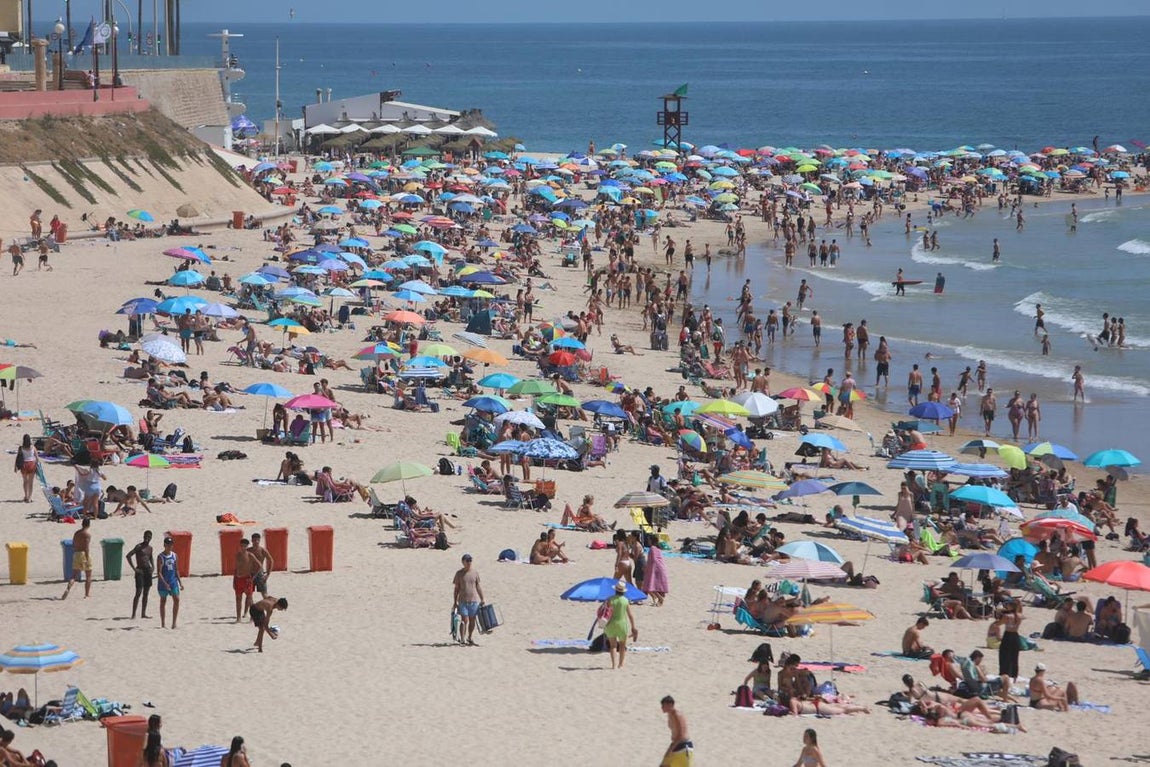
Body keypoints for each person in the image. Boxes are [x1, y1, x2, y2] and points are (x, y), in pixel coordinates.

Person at [603, 579, 638, 669]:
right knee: (622, 645)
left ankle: (614, 665)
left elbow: (605, 612)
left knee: (613, 646)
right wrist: (633, 627)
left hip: (611, 624)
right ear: (623, 591)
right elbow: (630, 615)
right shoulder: (625, 600)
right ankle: (621, 664)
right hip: (622, 624)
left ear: (615, 590)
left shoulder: (609, 599)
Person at [452, 553, 485, 646]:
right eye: (467, 561)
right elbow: (456, 589)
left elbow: (478, 586)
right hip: (463, 601)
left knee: (472, 620)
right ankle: (462, 638)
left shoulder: (475, 573)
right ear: (463, 562)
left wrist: (482, 598)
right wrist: (455, 602)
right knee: (464, 620)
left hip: (473, 601)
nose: (469, 562)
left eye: (470, 560)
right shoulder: (459, 573)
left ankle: (469, 637)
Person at [61, 518, 94, 600]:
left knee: (74, 575)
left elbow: (73, 544)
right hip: (83, 554)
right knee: (88, 575)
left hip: (76, 554)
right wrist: (87, 558)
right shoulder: (87, 535)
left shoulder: (76, 533)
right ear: (89, 525)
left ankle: (68, 588)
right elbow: (86, 548)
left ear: (82, 524)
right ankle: (87, 594)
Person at [126, 530, 155, 619]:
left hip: (148, 571)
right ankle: (133, 614)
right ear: (143, 536)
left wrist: (153, 567)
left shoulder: (150, 548)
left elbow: (150, 557)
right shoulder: (139, 546)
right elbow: (128, 556)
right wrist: (134, 568)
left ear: (151, 538)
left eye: (149, 537)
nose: (147, 538)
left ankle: (143, 613)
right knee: (138, 592)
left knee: (146, 593)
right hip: (140, 570)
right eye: (146, 536)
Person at [157, 536, 182, 629]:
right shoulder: (160, 557)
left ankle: (174, 623)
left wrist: (180, 582)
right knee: (163, 601)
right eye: (168, 545)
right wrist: (165, 583)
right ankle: (163, 623)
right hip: (163, 583)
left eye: (171, 545)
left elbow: (176, 570)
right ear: (164, 545)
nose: (170, 546)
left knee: (177, 599)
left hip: (173, 581)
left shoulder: (174, 555)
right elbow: (159, 572)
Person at [659, 696, 692, 767]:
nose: (661, 707)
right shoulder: (670, 714)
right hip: (676, 744)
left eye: (663, 705)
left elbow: (681, 734)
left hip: (683, 746)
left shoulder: (677, 714)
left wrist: (671, 748)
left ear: (670, 705)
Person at [233, 538, 260, 622]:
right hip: (238, 579)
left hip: (247, 579)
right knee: (238, 599)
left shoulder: (250, 555)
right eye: (241, 546)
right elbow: (236, 569)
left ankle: (253, 617)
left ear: (247, 546)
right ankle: (238, 618)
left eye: (244, 546)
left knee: (250, 599)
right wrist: (234, 580)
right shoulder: (237, 555)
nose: (243, 548)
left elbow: (259, 566)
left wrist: (253, 577)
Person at [14, 434, 38, 503]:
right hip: (32, 464)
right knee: (31, 482)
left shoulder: (21, 448)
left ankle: (26, 496)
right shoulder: (33, 447)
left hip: (24, 465)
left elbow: (18, 457)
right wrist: (38, 465)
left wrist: (15, 466)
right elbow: (37, 457)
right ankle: (29, 498)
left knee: (25, 481)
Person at [249, 533, 274, 598]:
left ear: (259, 540)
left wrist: (268, 574)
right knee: (249, 595)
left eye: (258, 540)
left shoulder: (262, 550)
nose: (256, 542)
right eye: (255, 540)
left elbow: (271, 560)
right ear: (252, 540)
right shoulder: (248, 550)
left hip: (260, 574)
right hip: (250, 573)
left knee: (264, 594)